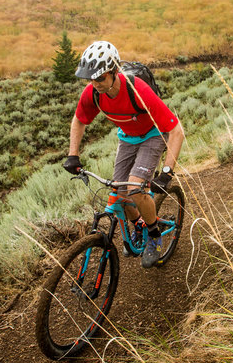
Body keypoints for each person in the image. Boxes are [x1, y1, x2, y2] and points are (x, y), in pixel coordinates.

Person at [62, 41, 184, 268]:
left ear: (114, 72)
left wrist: (166, 173)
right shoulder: (93, 93)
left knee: (135, 187)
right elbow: (79, 120)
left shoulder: (137, 90)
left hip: (153, 135)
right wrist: (73, 155)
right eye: (91, 79)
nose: (95, 84)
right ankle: (138, 223)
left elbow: (176, 131)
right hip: (127, 136)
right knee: (118, 190)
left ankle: (154, 235)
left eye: (100, 78)